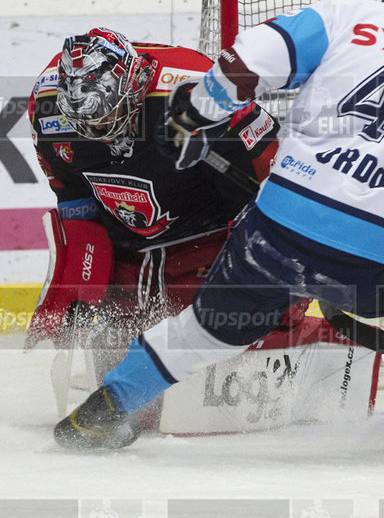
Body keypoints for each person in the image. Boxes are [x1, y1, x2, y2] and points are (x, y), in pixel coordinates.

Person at [54, 0, 384, 454]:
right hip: (379, 257)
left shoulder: (345, 15)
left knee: (203, 332)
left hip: (276, 229)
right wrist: (354, 271)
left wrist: (196, 113)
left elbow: (243, 63)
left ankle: (100, 414)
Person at [25, 27, 279, 379]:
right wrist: (78, 287)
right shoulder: (47, 104)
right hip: (135, 253)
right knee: (120, 364)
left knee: (224, 329)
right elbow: (74, 198)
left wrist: (266, 271)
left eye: (107, 117)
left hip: (212, 238)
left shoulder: (198, 89)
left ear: (135, 84)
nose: (99, 132)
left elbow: (270, 179)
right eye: (85, 124)